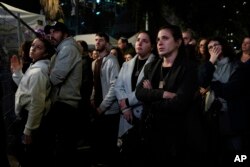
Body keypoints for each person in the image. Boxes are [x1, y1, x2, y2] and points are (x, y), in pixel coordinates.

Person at [135, 24, 199, 167]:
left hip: (176, 136)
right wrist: (163, 93)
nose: (160, 43)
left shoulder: (189, 68)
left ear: (178, 42)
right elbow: (139, 93)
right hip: (150, 133)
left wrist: (150, 97)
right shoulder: (151, 67)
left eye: (165, 38)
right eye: (158, 39)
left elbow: (179, 103)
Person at [10, 36, 55, 167]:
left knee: (31, 157)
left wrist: (28, 130)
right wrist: (18, 72)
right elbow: (27, 89)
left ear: (46, 53)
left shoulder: (38, 72)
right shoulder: (34, 66)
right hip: (30, 117)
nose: (33, 48)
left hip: (31, 118)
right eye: (33, 45)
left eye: (38, 47)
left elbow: (37, 103)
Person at [114, 30, 156, 167]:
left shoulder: (156, 65)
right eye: (138, 40)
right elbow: (118, 87)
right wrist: (125, 107)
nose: (140, 43)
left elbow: (147, 93)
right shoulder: (127, 64)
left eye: (145, 41)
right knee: (126, 155)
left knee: (143, 157)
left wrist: (126, 101)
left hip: (144, 114)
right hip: (126, 115)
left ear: (152, 46)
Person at [44, 21, 82, 167]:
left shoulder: (67, 48)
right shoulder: (62, 48)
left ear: (65, 34)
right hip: (63, 103)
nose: (51, 35)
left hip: (65, 105)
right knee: (64, 147)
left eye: (56, 32)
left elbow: (55, 78)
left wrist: (49, 71)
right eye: (50, 32)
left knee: (64, 149)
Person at [198, 36, 238, 167]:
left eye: (216, 45)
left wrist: (213, 85)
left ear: (223, 46)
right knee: (215, 152)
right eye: (210, 47)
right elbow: (202, 82)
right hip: (212, 116)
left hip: (231, 115)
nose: (213, 48)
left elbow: (232, 89)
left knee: (236, 153)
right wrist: (211, 62)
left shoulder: (235, 64)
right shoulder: (207, 66)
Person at [90, 32, 120, 167]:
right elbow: (95, 83)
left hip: (109, 110)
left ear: (107, 43)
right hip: (97, 108)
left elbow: (115, 86)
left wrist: (102, 107)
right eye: (96, 40)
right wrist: (92, 98)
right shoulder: (95, 62)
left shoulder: (112, 60)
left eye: (100, 40)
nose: (97, 42)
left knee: (109, 145)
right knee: (99, 142)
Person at [76, 40, 93, 148]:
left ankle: (84, 141)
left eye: (77, 46)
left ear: (83, 48)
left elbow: (86, 82)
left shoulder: (85, 62)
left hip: (82, 98)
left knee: (83, 121)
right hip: (82, 97)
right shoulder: (81, 60)